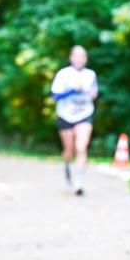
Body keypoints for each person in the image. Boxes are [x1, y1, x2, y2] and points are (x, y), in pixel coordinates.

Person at [50, 45, 98, 196]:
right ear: (71, 58)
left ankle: (78, 182)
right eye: (77, 55)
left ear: (85, 58)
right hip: (65, 115)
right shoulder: (63, 74)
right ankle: (67, 164)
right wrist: (72, 90)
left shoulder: (90, 74)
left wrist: (90, 93)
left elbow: (94, 93)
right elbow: (55, 96)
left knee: (81, 147)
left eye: (82, 56)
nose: (79, 59)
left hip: (84, 114)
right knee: (69, 150)